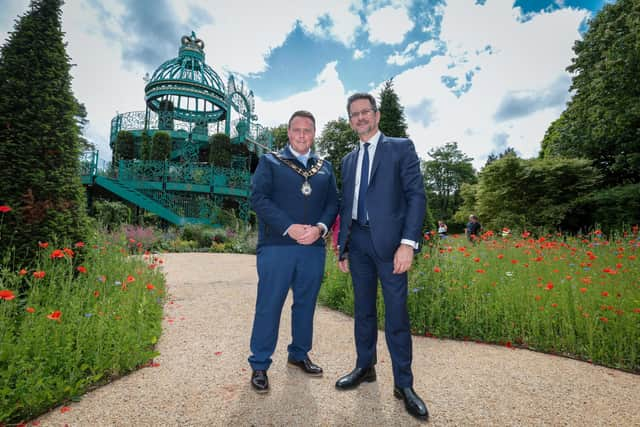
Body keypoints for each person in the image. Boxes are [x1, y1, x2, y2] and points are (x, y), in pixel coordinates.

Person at [336, 93, 429, 421]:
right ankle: (365, 367)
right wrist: (342, 247)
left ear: (376, 115)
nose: (360, 118)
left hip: (391, 247)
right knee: (362, 312)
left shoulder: (400, 148)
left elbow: (416, 196)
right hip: (358, 243)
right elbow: (346, 206)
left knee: (397, 316)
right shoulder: (348, 161)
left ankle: (404, 385)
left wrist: (408, 243)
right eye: (354, 114)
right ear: (350, 120)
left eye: (365, 112)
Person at [248, 110, 339, 393]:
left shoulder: (324, 167)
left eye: (307, 130)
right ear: (288, 133)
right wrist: (289, 227)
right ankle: (260, 364)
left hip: (313, 248)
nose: (302, 135)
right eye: (297, 130)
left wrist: (320, 228)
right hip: (278, 246)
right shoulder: (270, 162)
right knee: (269, 305)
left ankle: (299, 354)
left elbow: (333, 203)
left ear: (314, 134)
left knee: (306, 305)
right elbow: (258, 199)